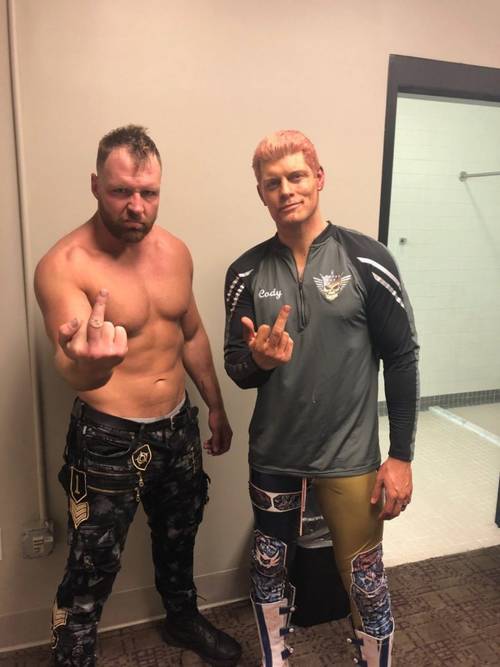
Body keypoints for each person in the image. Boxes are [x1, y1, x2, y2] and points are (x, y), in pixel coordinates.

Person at [35, 125, 241, 667]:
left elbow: (190, 334)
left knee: (180, 535)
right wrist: (89, 362)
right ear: (95, 185)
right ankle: (74, 655)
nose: (136, 206)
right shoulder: (64, 265)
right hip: (108, 438)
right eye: (121, 191)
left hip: (178, 426)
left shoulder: (175, 252)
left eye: (148, 193)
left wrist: (215, 406)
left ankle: (182, 620)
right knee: (91, 563)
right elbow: (69, 364)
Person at [223, 130, 419, 667]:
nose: (286, 190)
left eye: (296, 176)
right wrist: (260, 362)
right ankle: (275, 660)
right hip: (275, 456)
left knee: (366, 580)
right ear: (261, 194)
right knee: (268, 568)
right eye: (272, 183)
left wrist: (401, 456)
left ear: (319, 178)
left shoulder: (368, 259)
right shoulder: (245, 273)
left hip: (349, 457)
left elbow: (402, 357)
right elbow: (236, 368)